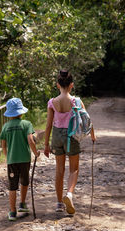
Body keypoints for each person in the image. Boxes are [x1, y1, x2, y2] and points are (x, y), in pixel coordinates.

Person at [44, 70, 96, 215]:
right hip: (71, 137)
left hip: (56, 137)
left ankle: (59, 203)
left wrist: (46, 145)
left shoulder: (52, 102)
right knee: (74, 169)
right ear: (71, 85)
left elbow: (48, 125)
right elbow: (87, 119)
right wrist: (92, 135)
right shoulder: (76, 101)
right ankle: (69, 194)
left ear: (57, 85)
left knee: (59, 170)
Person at [0, 97, 40, 221]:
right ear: (21, 112)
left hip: (12, 161)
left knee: (12, 186)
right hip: (25, 159)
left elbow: (3, 145)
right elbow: (30, 140)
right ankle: (22, 204)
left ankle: (12, 212)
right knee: (24, 181)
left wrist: (8, 157)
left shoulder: (5, 126)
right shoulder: (26, 124)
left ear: (9, 113)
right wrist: (36, 152)